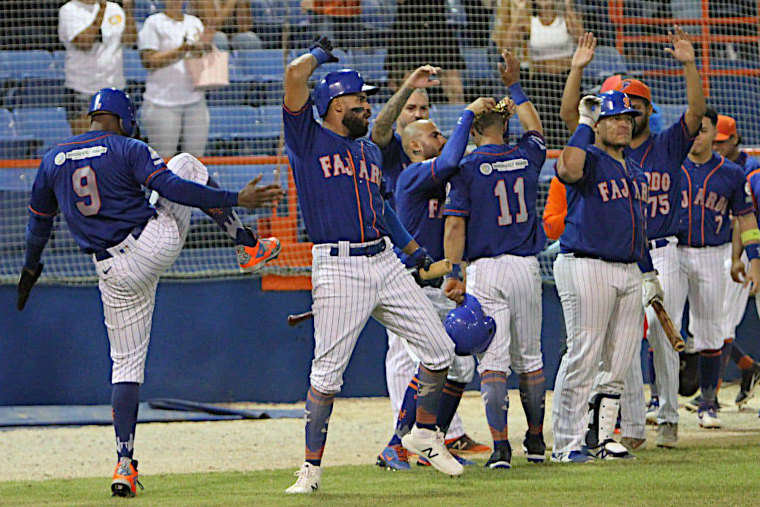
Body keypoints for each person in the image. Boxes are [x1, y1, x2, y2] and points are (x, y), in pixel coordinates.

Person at [16, 88, 282, 497]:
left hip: (110, 271)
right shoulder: (128, 146)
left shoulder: (52, 159)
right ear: (122, 118)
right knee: (188, 164)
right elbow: (176, 189)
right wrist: (235, 199)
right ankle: (247, 244)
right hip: (150, 244)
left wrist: (31, 269)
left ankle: (124, 463)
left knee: (124, 367)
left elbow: (38, 225)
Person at [282, 36, 464, 493]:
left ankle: (423, 433)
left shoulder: (367, 152)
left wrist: (413, 250)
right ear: (333, 103)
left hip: (383, 260)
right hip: (339, 265)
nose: (367, 105)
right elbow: (293, 76)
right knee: (327, 375)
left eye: (366, 98)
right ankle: (311, 469)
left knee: (440, 351)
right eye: (359, 99)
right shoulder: (307, 139)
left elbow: (381, 210)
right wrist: (321, 54)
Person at [559, 27, 706, 449]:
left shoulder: (653, 153)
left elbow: (695, 114)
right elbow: (571, 127)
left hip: (652, 255)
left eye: (634, 109)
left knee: (642, 347)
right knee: (601, 351)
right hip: (601, 260)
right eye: (620, 111)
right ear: (604, 118)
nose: (627, 117)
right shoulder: (596, 153)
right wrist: (576, 71)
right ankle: (602, 433)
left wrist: (688, 64)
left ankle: (643, 427)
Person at [370, 66, 489, 459]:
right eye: (432, 134)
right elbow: (453, 154)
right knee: (418, 361)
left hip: (440, 280)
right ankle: (399, 445)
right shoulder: (413, 175)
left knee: (457, 366)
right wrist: (467, 115)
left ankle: (430, 437)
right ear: (418, 146)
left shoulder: (441, 175)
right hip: (412, 281)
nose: (440, 138)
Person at [443, 50, 548, 468]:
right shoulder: (527, 155)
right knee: (533, 359)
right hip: (525, 264)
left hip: (485, 269)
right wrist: (514, 85)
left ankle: (501, 448)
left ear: (473, 132)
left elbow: (454, 228)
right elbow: (537, 128)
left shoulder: (466, 167)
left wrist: (455, 272)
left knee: (494, 362)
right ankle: (536, 442)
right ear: (506, 125)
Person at [550, 90, 663, 463]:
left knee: (618, 361)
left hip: (628, 268)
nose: (623, 124)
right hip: (587, 263)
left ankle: (599, 438)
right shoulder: (590, 157)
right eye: (614, 118)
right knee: (584, 356)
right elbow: (567, 170)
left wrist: (648, 273)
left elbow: (639, 227)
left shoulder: (635, 169)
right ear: (597, 125)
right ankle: (565, 443)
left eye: (628, 118)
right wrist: (582, 123)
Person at [674, 108, 760, 429]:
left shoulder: (738, 174)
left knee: (713, 328)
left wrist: (751, 258)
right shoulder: (672, 164)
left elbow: (745, 219)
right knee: (662, 323)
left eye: (707, 132)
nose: (699, 138)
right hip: (673, 249)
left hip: (716, 252)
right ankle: (660, 400)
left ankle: (708, 401)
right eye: (694, 131)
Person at [712, 114, 760, 408]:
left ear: (734, 138)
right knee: (710, 326)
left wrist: (742, 256)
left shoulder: (751, 170)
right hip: (719, 250)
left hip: (744, 250)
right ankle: (746, 366)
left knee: (721, 326)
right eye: (714, 141)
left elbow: (746, 219)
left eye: (722, 141)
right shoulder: (708, 167)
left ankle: (710, 398)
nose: (717, 147)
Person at [505, 0, 583, 149]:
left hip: (565, 81)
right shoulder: (530, 22)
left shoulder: (565, 19)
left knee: (568, 126)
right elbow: (507, 44)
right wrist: (521, 11)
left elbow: (581, 38)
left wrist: (568, 6)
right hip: (541, 85)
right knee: (544, 129)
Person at [138, 0, 212, 158]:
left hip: (195, 101)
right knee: (163, 159)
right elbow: (149, 61)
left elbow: (200, 56)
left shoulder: (194, 22)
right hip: (162, 103)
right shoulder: (153, 23)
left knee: (195, 161)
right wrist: (181, 50)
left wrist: (203, 50)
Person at [58, 0, 137, 134]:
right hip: (82, 89)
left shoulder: (115, 8)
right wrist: (102, 10)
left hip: (115, 88)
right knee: (86, 145)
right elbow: (84, 42)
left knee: (115, 144)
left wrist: (128, 10)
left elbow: (130, 40)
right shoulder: (69, 10)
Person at [385, 0, 466, 103]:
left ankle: (459, 117)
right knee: (404, 86)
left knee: (455, 87)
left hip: (438, 27)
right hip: (408, 29)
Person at [190, 0, 263, 50]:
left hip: (232, 35)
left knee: (250, 39)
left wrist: (241, 6)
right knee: (220, 39)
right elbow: (212, 25)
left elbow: (245, 28)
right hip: (204, 36)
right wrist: (230, 4)